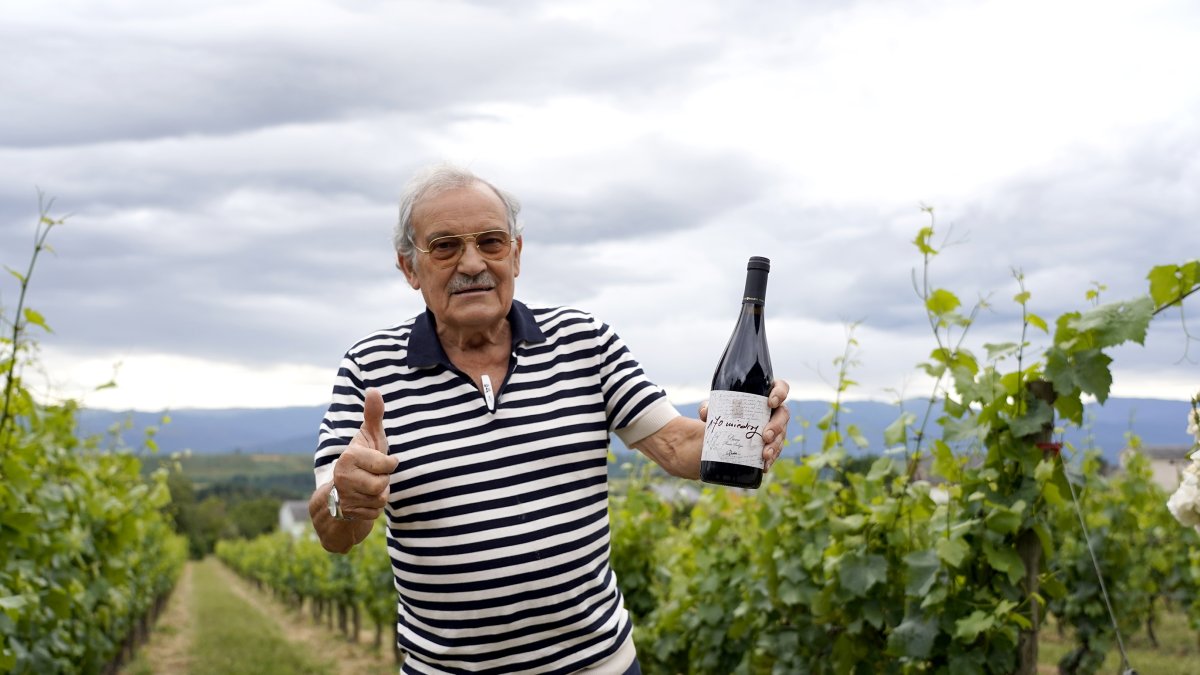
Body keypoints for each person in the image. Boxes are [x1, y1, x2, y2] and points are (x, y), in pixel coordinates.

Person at [308, 164, 790, 674]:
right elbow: (334, 531)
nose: (472, 263)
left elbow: (675, 446)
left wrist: (746, 432)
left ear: (515, 254)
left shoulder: (585, 341)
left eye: (491, 242)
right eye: (445, 246)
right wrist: (346, 498)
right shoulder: (369, 368)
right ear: (409, 267)